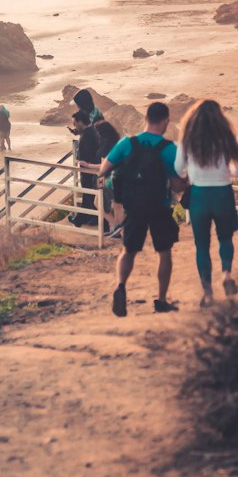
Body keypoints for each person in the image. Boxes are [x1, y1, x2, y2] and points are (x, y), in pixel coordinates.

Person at [99, 101, 180, 317]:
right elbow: (179, 183)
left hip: (134, 206)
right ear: (165, 121)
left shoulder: (127, 143)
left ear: (145, 119)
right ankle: (161, 300)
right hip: (159, 206)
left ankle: (121, 286)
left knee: (128, 250)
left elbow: (104, 169)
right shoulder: (170, 149)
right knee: (164, 253)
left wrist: (116, 191)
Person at [175, 99, 238, 305]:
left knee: (202, 245)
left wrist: (192, 172)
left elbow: (178, 167)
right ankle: (226, 274)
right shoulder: (227, 138)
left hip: (199, 195)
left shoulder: (188, 141)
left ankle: (207, 293)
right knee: (225, 239)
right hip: (222, 193)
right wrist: (228, 174)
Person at [68, 109, 102, 227]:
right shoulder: (90, 131)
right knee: (89, 195)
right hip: (90, 169)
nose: (74, 126)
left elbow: (88, 152)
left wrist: (82, 163)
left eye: (75, 123)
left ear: (80, 121)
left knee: (88, 194)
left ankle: (82, 219)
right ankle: (87, 218)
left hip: (88, 170)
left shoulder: (88, 135)